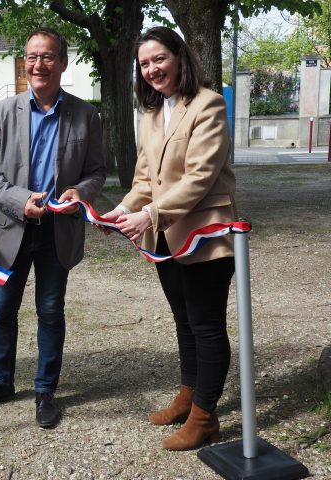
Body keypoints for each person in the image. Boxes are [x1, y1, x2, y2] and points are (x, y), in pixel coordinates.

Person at [101, 26, 237, 450]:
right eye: (144, 64)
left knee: (206, 325)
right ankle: (188, 394)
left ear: (179, 57)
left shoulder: (208, 105)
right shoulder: (154, 113)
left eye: (159, 59)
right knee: (184, 322)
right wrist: (123, 210)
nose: (152, 69)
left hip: (205, 236)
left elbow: (200, 177)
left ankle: (205, 416)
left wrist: (149, 214)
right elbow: (146, 178)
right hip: (165, 239)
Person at [0, 27, 106, 429]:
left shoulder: (85, 114)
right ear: (24, 63)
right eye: (31, 57)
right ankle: (1, 382)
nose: (37, 64)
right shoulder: (2, 113)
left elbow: (97, 171)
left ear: (62, 62)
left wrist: (80, 190)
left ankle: (45, 390)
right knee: (0, 313)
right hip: (11, 226)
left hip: (58, 230)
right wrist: (18, 201)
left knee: (49, 311)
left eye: (46, 57)